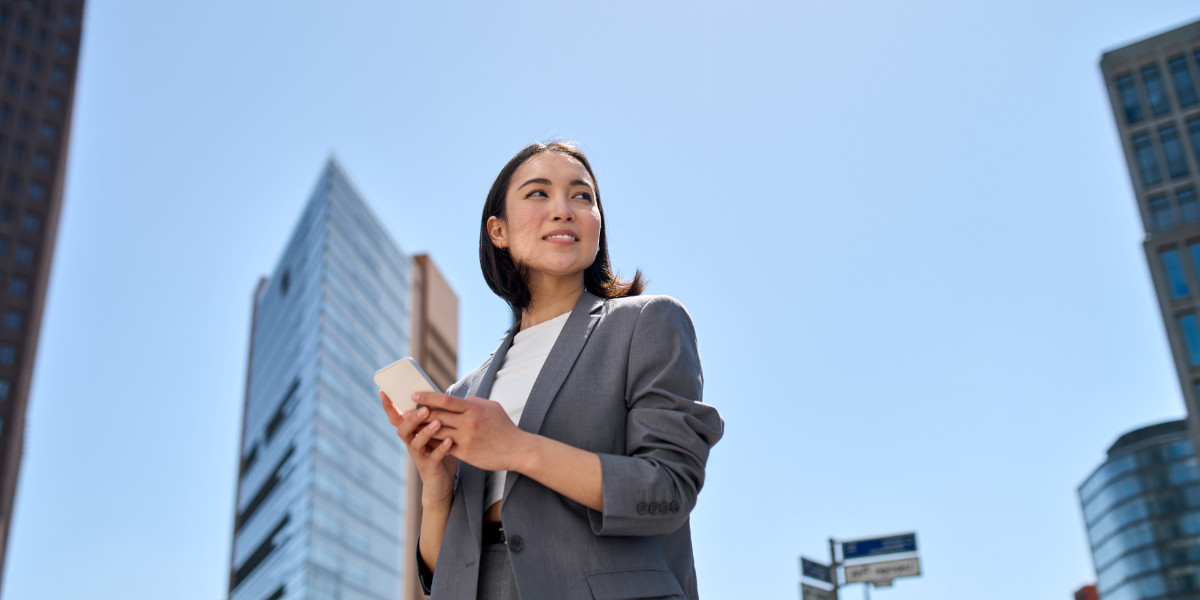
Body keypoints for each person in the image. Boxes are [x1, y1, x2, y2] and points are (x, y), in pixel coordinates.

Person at [380, 141, 723, 600]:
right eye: (538, 193)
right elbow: (443, 573)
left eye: (582, 196)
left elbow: (667, 490)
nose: (563, 209)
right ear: (497, 230)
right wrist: (438, 485)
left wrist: (517, 448)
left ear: (597, 226)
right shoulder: (465, 391)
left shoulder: (647, 323)